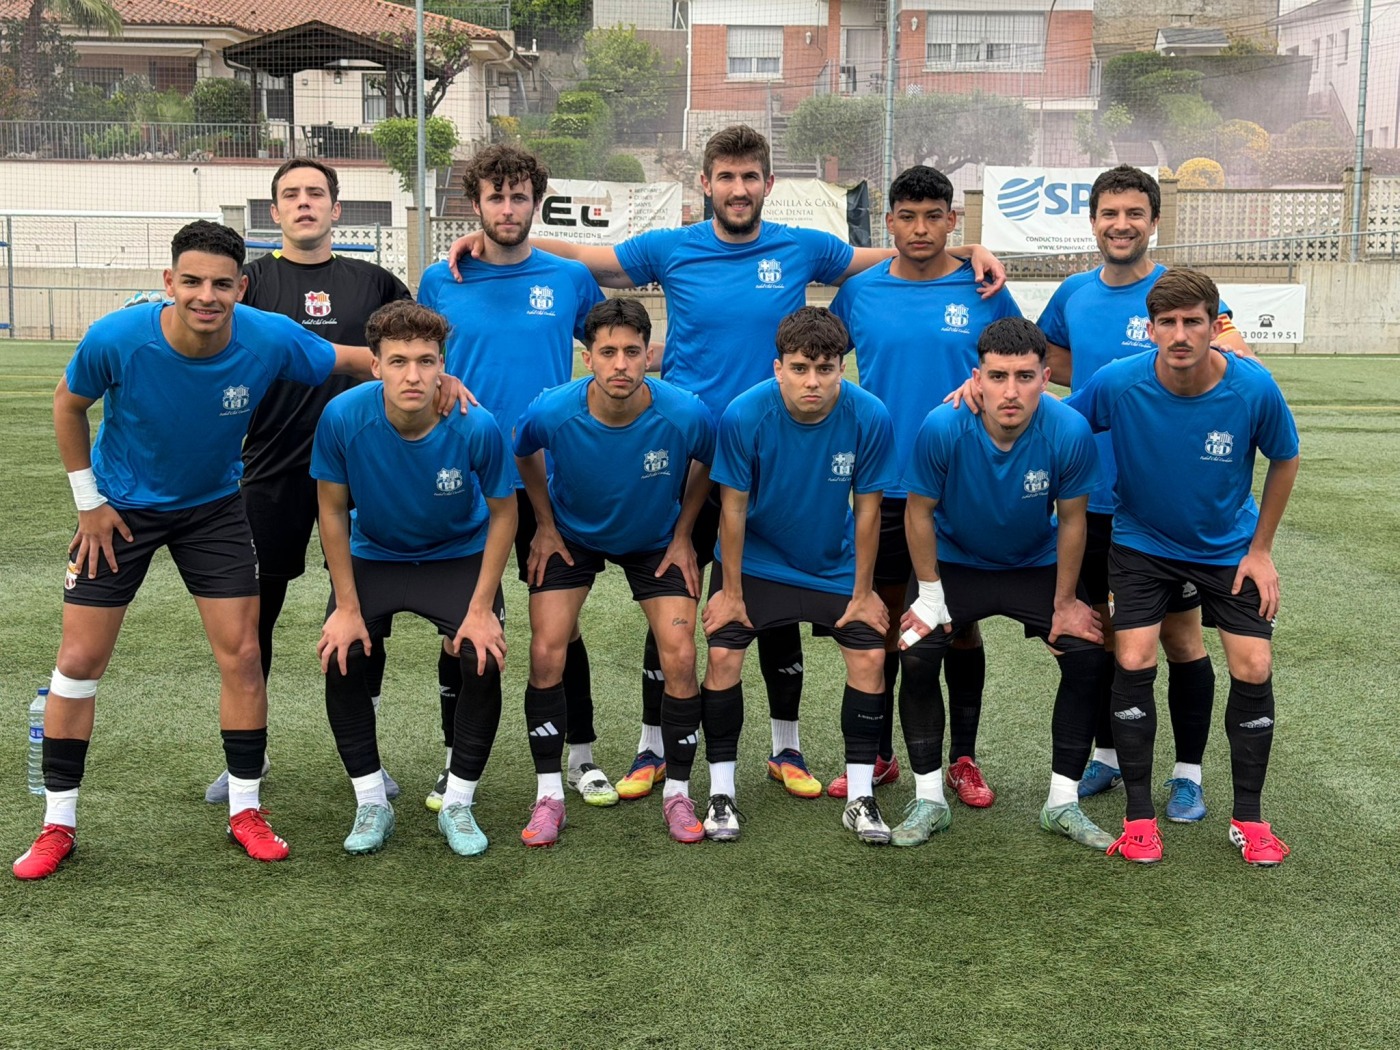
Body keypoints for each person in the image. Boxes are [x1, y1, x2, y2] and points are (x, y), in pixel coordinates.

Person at [450, 124, 1007, 801]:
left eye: (750, 177)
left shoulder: (803, 247)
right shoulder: (671, 247)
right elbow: (591, 259)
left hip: (778, 455)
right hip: (685, 457)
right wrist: (490, 241)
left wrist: (968, 247)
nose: (738, 189)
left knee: (776, 595)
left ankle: (785, 746)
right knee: (678, 595)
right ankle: (653, 746)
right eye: (726, 177)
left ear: (768, 184)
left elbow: (895, 250)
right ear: (705, 184)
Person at [13, 221, 379, 880]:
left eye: (220, 284)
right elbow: (69, 406)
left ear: (241, 287)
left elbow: (355, 359)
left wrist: (433, 374)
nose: (206, 296)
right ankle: (57, 825)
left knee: (243, 656)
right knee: (78, 663)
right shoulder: (117, 338)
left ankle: (246, 810)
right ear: (169, 282)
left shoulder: (269, 337)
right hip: (120, 511)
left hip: (213, 510)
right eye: (192, 282)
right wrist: (89, 503)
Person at [1035, 165, 1254, 821]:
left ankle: (1188, 775)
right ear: (1093, 222)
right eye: (1109, 213)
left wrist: (1229, 349)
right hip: (1092, 503)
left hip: (1164, 509)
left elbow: (1232, 346)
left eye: (1134, 213)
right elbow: (1051, 364)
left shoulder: (1175, 295)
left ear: (1154, 221)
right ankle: (1107, 757)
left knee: (1182, 641)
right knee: (1106, 639)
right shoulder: (1073, 293)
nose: (1121, 225)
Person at [1068, 268, 1299, 866]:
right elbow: (1062, 423)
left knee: (1254, 663)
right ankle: (1139, 819)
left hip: (1227, 547)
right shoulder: (1118, 381)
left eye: (1192, 321)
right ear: (1149, 329)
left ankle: (1249, 819)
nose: (1179, 334)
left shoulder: (1252, 387)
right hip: (1142, 543)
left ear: (1214, 326)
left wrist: (1261, 550)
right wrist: (981, 398)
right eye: (1166, 322)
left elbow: (1285, 457)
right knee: (1133, 655)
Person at [204, 157, 413, 807]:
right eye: (291, 194)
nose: (304, 203)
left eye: (316, 193)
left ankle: (365, 758)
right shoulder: (249, 282)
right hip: (270, 468)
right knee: (252, 618)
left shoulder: (377, 282)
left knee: (366, 613)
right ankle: (248, 755)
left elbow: (413, 357)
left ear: (335, 209)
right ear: (274, 212)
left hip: (364, 473)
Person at [417, 144, 611, 811]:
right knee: (459, 627)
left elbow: (612, 347)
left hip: (549, 480)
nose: (507, 208)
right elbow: (418, 360)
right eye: (495, 196)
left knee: (561, 626)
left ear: (537, 202)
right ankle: (454, 761)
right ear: (475, 204)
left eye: (519, 196)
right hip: (466, 478)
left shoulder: (570, 278)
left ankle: (581, 756)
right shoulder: (441, 280)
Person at [827, 164, 1022, 807]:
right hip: (884, 484)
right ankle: (881, 755)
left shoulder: (984, 286)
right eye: (906, 217)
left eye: (933, 216)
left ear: (951, 220)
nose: (919, 229)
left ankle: (963, 758)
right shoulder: (859, 292)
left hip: (963, 486)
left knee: (958, 624)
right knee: (886, 621)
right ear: (888, 222)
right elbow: (823, 364)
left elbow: (1024, 359)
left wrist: (983, 381)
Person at [895, 317, 1115, 851]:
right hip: (956, 563)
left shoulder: (1068, 430)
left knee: (1088, 655)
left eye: (1024, 376)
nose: (1010, 391)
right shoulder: (942, 426)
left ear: (1046, 378)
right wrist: (930, 596)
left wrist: (1066, 602)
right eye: (997, 377)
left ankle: (1062, 803)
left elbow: (1073, 521)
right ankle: (929, 799)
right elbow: (917, 512)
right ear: (977, 378)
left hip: (1033, 563)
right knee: (917, 653)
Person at [312, 301, 517, 857]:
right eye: (398, 361)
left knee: (482, 656)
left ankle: (458, 802)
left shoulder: (475, 424)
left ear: (442, 365)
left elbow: (505, 513)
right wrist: (346, 608)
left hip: (455, 555)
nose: (413, 375)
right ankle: (371, 800)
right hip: (374, 555)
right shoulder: (342, 417)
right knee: (343, 653)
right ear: (375, 365)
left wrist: (481, 609)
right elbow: (331, 510)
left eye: (426, 361)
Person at [512, 299, 717, 846]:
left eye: (631, 351)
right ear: (588, 358)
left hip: (655, 541)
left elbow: (707, 460)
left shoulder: (686, 412)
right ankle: (549, 796)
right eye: (607, 352)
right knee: (545, 650)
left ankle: (678, 793)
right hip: (572, 536)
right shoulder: (553, 409)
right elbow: (524, 452)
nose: (620, 364)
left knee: (681, 655)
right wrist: (545, 524)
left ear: (650, 355)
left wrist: (683, 534)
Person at [699, 306, 898, 844]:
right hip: (757, 562)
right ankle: (721, 793)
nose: (813, 381)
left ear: (841, 369)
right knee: (723, 656)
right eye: (800, 368)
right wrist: (731, 592)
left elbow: (868, 510)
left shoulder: (870, 415)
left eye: (825, 368)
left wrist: (863, 592)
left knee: (870, 657)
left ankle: (861, 798)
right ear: (778, 368)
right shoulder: (745, 414)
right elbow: (732, 508)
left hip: (832, 563)